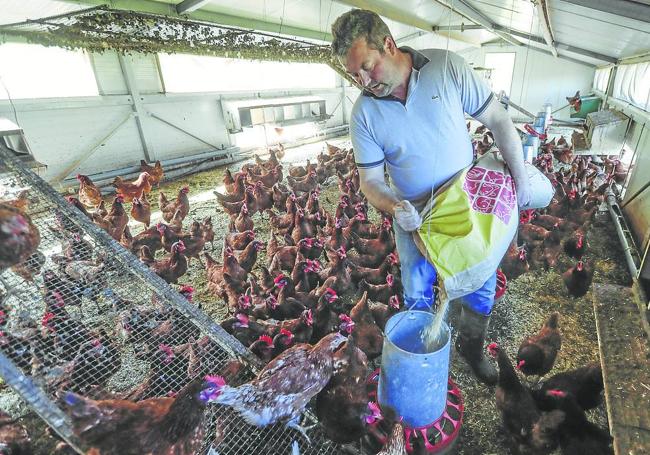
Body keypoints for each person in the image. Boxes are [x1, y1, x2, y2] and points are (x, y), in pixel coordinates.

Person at [331, 9, 531, 385]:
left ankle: (473, 348)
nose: (361, 80)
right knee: (418, 292)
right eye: (353, 73)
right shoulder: (364, 113)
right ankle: (425, 359)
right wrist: (395, 206)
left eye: (367, 67)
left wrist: (519, 188)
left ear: (388, 45)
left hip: (468, 202)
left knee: (479, 282)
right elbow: (369, 180)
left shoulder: (446, 68)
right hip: (416, 214)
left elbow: (500, 121)